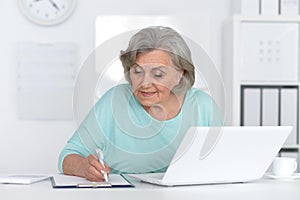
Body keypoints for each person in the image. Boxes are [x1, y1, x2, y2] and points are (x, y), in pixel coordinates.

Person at [58, 26, 223, 182]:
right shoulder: (114, 101)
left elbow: (224, 161)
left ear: (180, 74)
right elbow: (68, 156)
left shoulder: (203, 106)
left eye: (158, 74)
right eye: (137, 72)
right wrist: (84, 167)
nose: (145, 83)